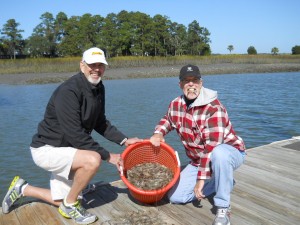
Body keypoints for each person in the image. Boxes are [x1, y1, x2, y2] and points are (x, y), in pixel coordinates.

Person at [2, 47, 143, 225]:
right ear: (82, 65)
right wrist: (109, 156)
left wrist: (124, 140)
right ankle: (70, 204)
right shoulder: (69, 91)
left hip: (68, 149)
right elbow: (76, 135)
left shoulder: (98, 88)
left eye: (101, 65)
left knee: (69, 199)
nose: (97, 69)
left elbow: (100, 122)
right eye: (92, 64)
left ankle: (23, 189)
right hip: (47, 149)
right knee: (93, 160)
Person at [150, 64, 246, 225]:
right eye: (186, 81)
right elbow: (167, 120)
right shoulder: (175, 104)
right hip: (198, 161)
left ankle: (223, 207)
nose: (191, 84)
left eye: (195, 80)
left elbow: (212, 147)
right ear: (180, 85)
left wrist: (201, 179)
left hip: (229, 153)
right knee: (176, 197)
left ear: (201, 83)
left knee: (219, 155)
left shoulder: (214, 108)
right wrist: (158, 133)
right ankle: (220, 181)